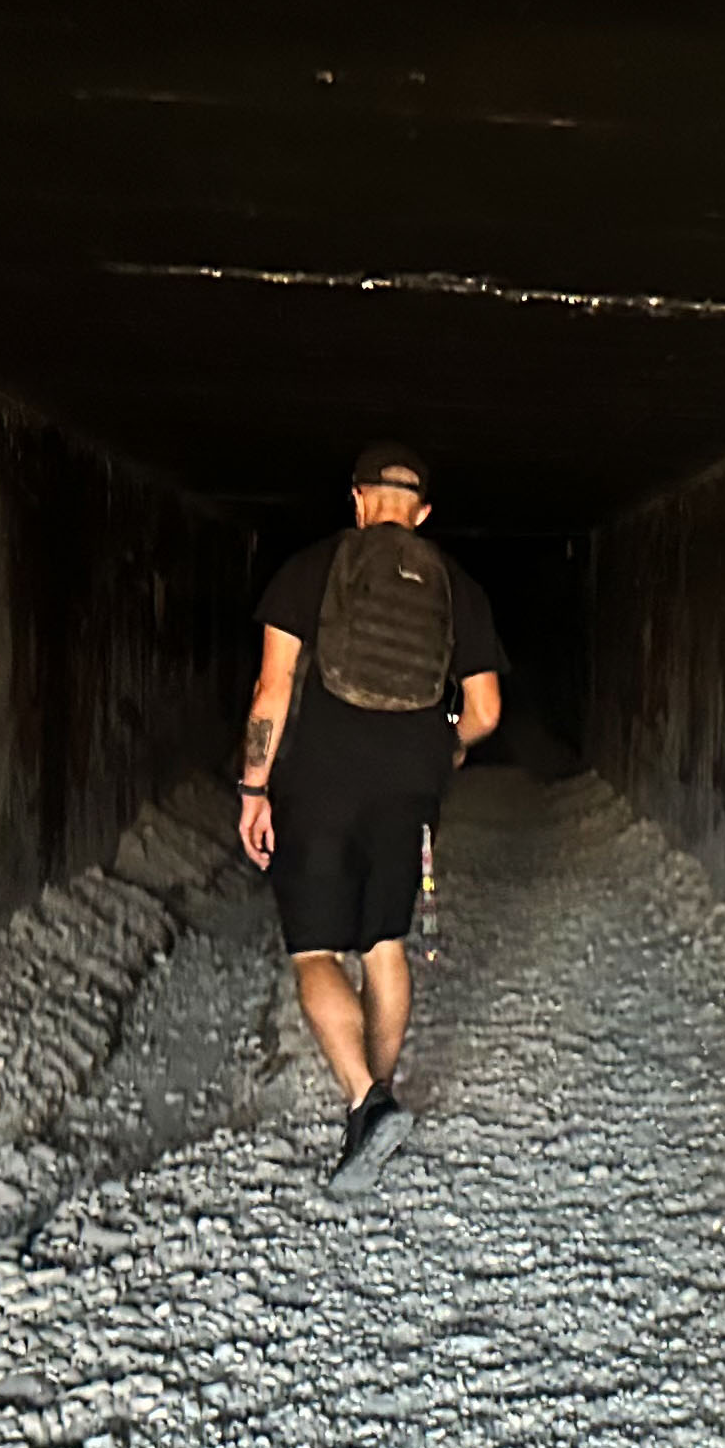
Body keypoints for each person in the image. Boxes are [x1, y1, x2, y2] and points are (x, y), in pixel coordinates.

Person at [237, 442, 507, 1191]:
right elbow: (485, 711)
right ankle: (375, 1104)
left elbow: (272, 689)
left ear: (357, 499)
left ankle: (365, 1099)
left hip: (317, 781)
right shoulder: (457, 586)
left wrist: (253, 789)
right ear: (421, 512)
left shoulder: (309, 570)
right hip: (409, 784)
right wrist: (440, 751)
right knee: (385, 942)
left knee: (316, 951)